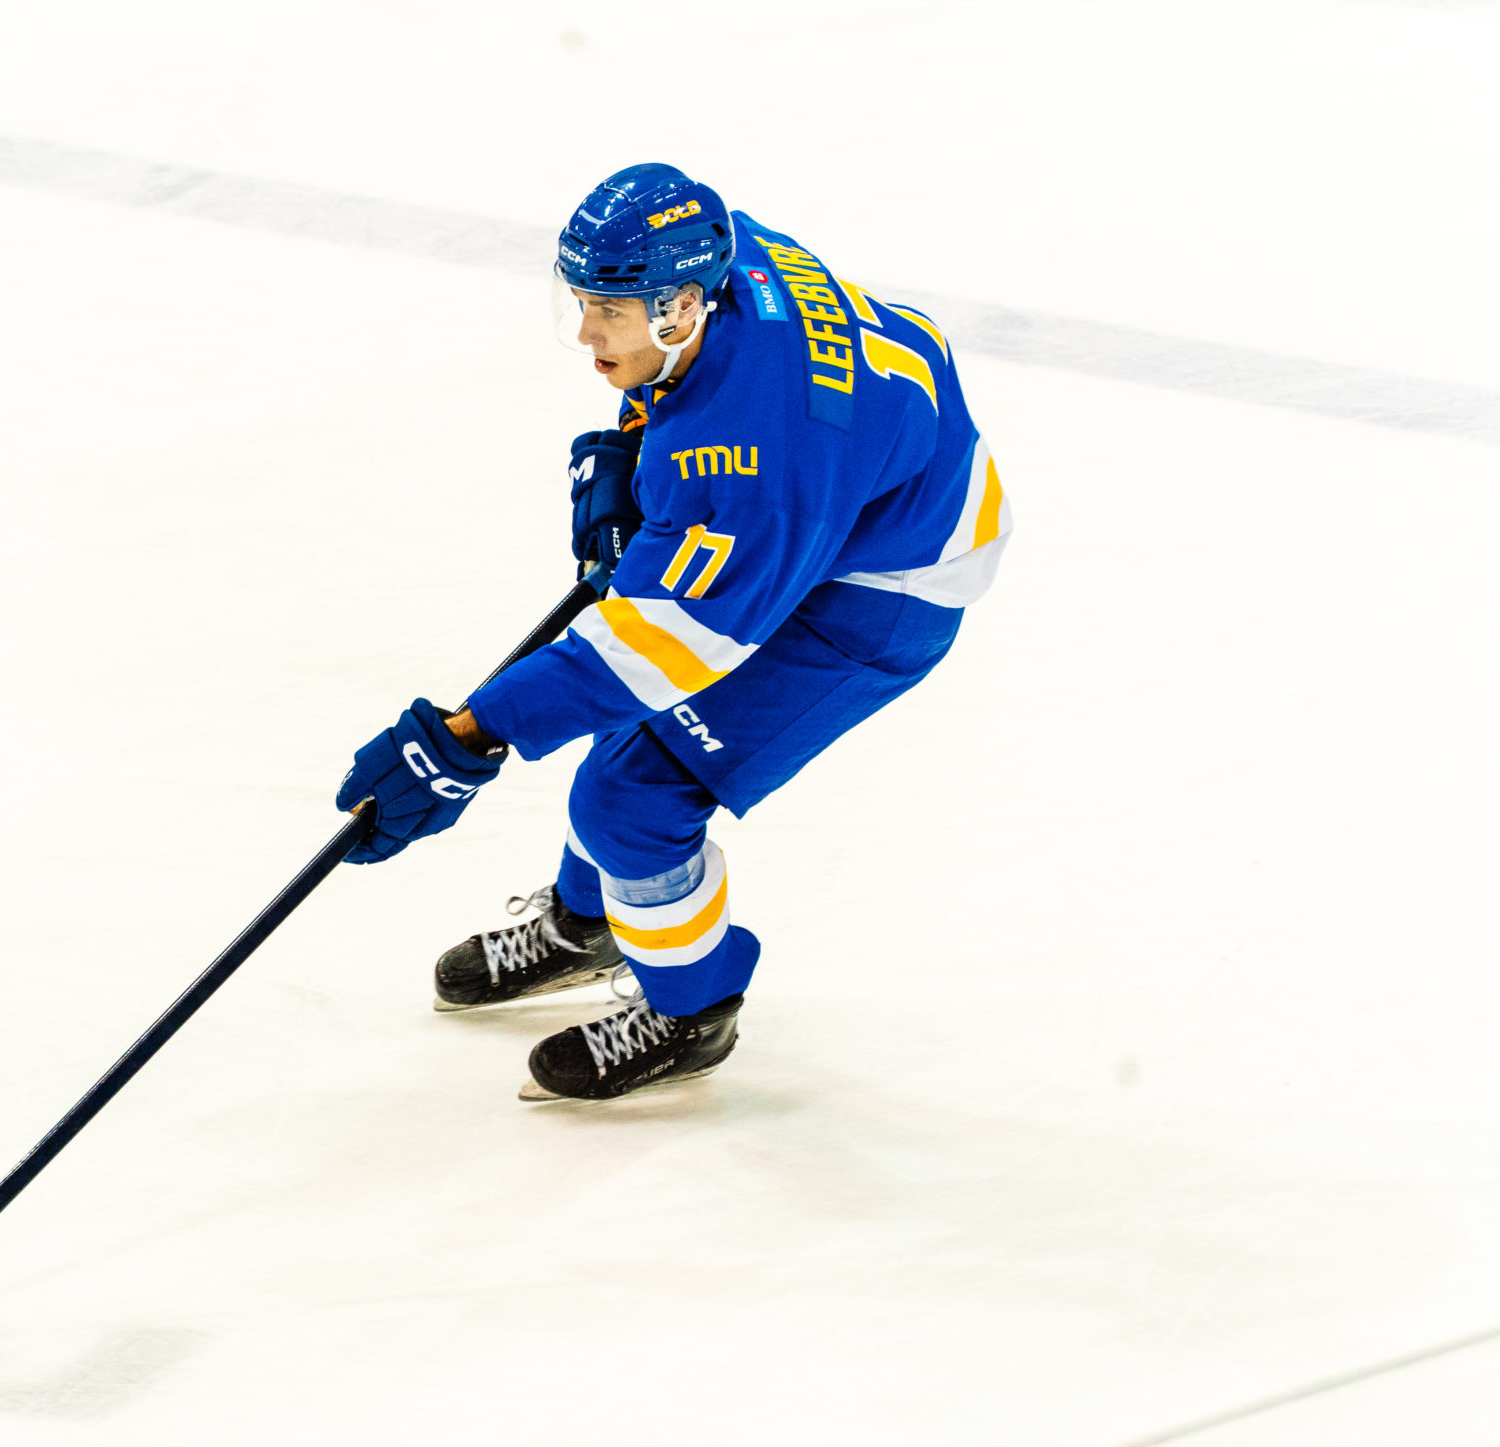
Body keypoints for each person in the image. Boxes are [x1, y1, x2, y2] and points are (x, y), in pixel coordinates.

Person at [338, 163, 1012, 1102]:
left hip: (885, 586)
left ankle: (693, 1009)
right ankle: (591, 923)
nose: (585, 334)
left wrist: (473, 734)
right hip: (854, 499)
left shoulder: (755, 460)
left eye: (607, 312)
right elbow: (711, 401)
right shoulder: (732, 260)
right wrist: (632, 448)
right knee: (627, 734)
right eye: (581, 302)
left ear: (680, 304)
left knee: (633, 796)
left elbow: (665, 646)